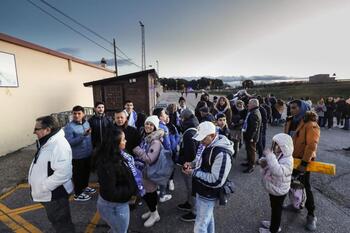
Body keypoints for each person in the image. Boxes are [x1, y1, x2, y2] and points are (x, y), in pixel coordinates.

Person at [183, 121, 233, 233]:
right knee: (207, 219)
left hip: (209, 193)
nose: (201, 142)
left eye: (203, 138)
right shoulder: (208, 144)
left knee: (200, 226)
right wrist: (191, 164)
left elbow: (216, 180)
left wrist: (193, 173)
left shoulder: (222, 153)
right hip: (202, 190)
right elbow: (200, 160)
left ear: (212, 135)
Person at [29, 116, 75, 233]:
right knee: (57, 222)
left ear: (48, 130)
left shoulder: (59, 145)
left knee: (62, 225)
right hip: (49, 195)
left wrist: (44, 187)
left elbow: (64, 173)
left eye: (37, 129)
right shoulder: (48, 142)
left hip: (54, 196)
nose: (34, 132)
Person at [96, 128, 143, 233]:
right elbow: (111, 192)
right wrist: (131, 190)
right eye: (123, 139)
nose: (126, 141)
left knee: (117, 229)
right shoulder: (107, 164)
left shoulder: (119, 153)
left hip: (117, 203)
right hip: (115, 206)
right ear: (115, 143)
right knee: (121, 230)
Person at [284, 100, 320, 231]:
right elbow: (285, 138)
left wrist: (304, 164)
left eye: (294, 107)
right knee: (291, 183)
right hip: (289, 159)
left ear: (302, 108)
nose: (291, 110)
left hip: (302, 160)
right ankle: (296, 205)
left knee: (306, 186)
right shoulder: (290, 121)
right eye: (290, 107)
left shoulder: (311, 124)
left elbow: (311, 145)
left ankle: (311, 215)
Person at [132, 116, 164, 227]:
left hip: (150, 172)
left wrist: (137, 150)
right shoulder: (146, 137)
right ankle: (152, 211)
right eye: (147, 123)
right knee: (147, 193)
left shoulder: (155, 141)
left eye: (151, 125)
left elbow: (150, 159)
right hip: (144, 172)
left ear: (155, 127)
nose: (148, 126)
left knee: (149, 194)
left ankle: (155, 215)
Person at [258, 133, 294, 233]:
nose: (274, 147)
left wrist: (269, 156)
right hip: (275, 187)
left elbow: (277, 170)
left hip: (279, 190)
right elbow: (273, 163)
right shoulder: (281, 155)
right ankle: (274, 223)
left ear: (284, 147)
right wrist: (264, 161)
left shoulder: (288, 160)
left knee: (276, 210)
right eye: (274, 144)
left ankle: (274, 229)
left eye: (277, 145)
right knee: (274, 208)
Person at [64, 106, 95, 201]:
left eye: (79, 113)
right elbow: (69, 142)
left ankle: (85, 187)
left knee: (86, 173)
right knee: (78, 175)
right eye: (74, 113)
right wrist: (82, 136)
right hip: (77, 156)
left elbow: (89, 138)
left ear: (83, 114)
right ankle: (78, 193)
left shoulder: (86, 123)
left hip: (88, 154)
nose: (76, 115)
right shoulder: (69, 127)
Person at [177, 109, 199, 222]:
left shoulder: (189, 132)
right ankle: (189, 203)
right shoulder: (193, 125)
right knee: (190, 187)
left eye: (181, 118)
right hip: (191, 163)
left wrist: (186, 166)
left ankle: (195, 212)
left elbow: (191, 153)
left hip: (189, 164)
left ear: (184, 118)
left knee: (191, 187)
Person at [88, 102, 113, 169]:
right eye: (99, 107)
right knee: (98, 162)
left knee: (107, 161)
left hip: (107, 144)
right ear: (95, 109)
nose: (101, 109)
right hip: (96, 145)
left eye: (102, 107)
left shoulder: (109, 119)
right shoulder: (91, 120)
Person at [241, 99, 262, 173]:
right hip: (249, 135)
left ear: (253, 104)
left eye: (249, 104)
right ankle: (249, 162)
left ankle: (251, 166)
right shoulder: (253, 111)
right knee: (248, 150)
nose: (248, 105)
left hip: (251, 137)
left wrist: (251, 138)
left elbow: (254, 128)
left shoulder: (254, 113)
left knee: (251, 151)